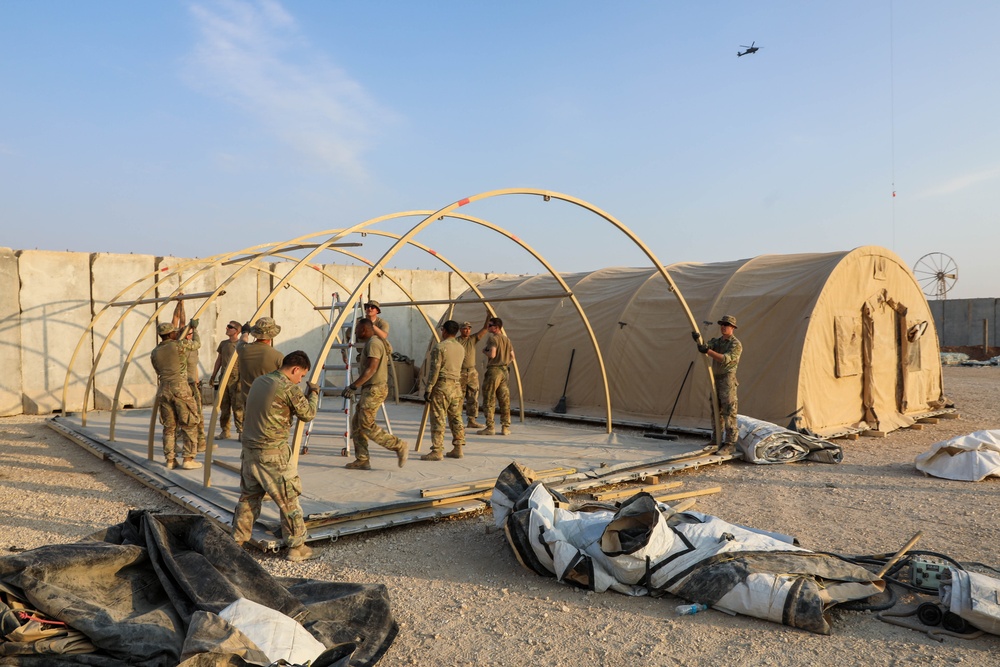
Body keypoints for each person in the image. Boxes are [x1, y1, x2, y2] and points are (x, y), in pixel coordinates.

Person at [232, 350, 320, 562]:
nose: (301, 380)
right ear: (295, 369)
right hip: (272, 453)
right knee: (288, 499)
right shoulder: (287, 387)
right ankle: (297, 547)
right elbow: (308, 414)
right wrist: (314, 393)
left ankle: (236, 543)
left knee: (248, 499)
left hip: (250, 452)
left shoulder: (260, 381)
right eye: (301, 375)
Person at [341, 318, 408, 470]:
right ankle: (362, 460)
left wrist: (353, 386)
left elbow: (371, 369)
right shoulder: (371, 343)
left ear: (363, 330)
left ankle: (398, 445)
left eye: (356, 330)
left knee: (366, 424)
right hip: (370, 388)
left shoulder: (374, 344)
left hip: (375, 389)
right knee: (357, 424)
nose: (355, 333)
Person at [149, 321, 203, 470]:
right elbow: (196, 344)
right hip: (180, 388)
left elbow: (157, 370)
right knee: (189, 423)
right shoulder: (178, 345)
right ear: (171, 334)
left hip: (163, 390)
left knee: (169, 427)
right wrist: (195, 329)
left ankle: (170, 460)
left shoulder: (155, 352)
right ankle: (188, 458)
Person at [695, 315, 743, 456]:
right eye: (722, 324)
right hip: (715, 378)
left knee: (729, 412)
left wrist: (708, 352)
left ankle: (730, 444)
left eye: (726, 325)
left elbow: (724, 359)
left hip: (727, 380)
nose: (723, 327)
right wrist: (698, 340)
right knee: (716, 410)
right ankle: (716, 440)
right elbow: (706, 345)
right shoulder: (718, 341)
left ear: (733, 328)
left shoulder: (735, 344)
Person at [422, 320, 466, 460]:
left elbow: (435, 370)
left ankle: (437, 450)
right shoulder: (460, 347)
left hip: (442, 386)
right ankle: (458, 447)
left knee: (438, 418)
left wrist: (429, 387)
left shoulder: (440, 347)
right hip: (456, 386)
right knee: (456, 417)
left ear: (445, 331)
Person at [234, 317, 284, 423]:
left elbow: (241, 341)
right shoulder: (277, 356)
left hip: (249, 401)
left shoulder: (243, 350)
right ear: (272, 335)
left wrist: (245, 332)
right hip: (269, 405)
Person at [478, 317, 515, 436]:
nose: (488, 327)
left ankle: (490, 427)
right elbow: (512, 356)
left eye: (490, 325)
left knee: (489, 398)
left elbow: (492, 354)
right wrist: (504, 363)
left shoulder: (493, 339)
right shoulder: (506, 339)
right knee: (504, 399)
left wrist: (485, 351)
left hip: (494, 370)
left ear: (496, 327)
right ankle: (505, 427)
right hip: (504, 371)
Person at [210, 320, 243, 439]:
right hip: (224, 378)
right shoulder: (224, 344)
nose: (227, 328)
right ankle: (225, 430)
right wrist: (213, 375)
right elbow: (219, 360)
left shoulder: (241, 345)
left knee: (238, 407)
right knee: (224, 406)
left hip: (236, 379)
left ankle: (241, 431)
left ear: (237, 331)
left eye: (230, 327)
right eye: (228, 326)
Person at [457, 317, 490, 429]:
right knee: (458, 398)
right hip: (460, 373)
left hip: (471, 372)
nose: (467, 331)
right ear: (460, 330)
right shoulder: (456, 341)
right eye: (465, 329)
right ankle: (457, 421)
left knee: (473, 397)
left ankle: (472, 420)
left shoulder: (472, 339)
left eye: (469, 329)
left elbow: (485, 329)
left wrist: (488, 316)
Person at [364, 300, 397, 398]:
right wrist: (344, 353)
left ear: (377, 311)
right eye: (367, 307)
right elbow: (347, 336)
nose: (369, 309)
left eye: (372, 307)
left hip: (378, 355)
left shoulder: (382, 323)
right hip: (364, 353)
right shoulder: (359, 321)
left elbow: (384, 335)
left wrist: (370, 325)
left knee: (376, 379)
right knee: (365, 378)